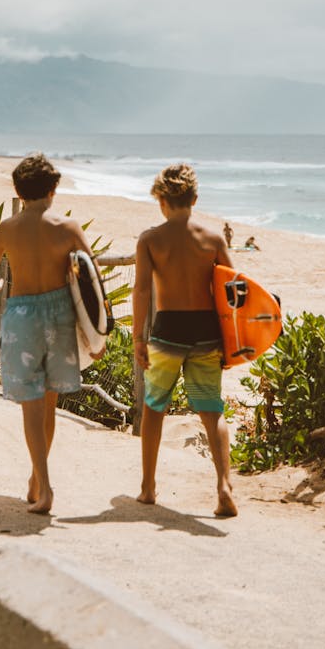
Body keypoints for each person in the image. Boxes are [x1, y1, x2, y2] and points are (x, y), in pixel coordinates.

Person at [0, 153, 101, 515]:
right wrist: (98, 337)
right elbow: (93, 285)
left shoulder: (7, 229)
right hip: (60, 315)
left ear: (18, 190)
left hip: (22, 317)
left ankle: (43, 487)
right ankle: (36, 479)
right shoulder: (69, 228)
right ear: (54, 189)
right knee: (48, 406)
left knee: (30, 406)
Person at [132, 163, 238, 517]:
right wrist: (233, 339)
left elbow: (143, 289)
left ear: (161, 200)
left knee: (154, 407)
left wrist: (138, 338)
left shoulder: (150, 239)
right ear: (194, 198)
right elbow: (234, 289)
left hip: (168, 330)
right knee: (211, 409)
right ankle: (224, 484)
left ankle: (148, 487)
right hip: (207, 331)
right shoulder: (213, 239)